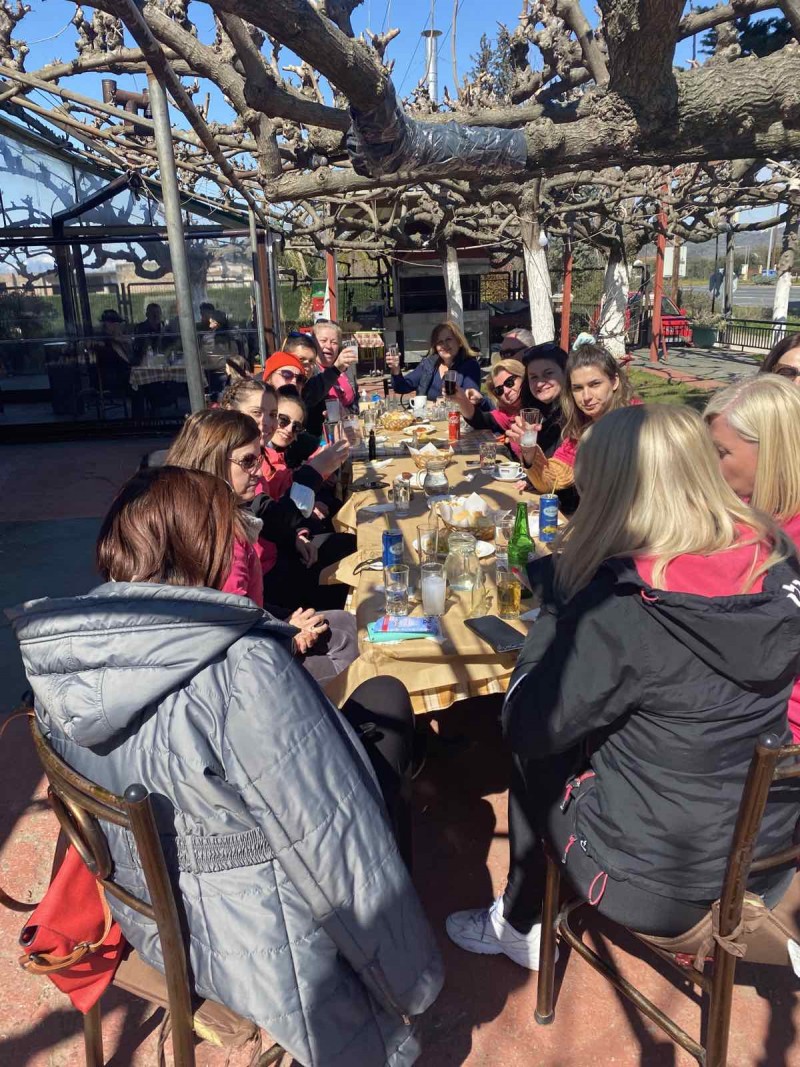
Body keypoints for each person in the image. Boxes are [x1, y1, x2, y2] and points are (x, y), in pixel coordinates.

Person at [9, 466, 443, 1066]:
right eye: (230, 532)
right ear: (201, 547)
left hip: (146, 916)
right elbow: (336, 849)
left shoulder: (59, 659)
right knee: (376, 740)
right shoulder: (244, 667)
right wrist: (413, 979)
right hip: (257, 947)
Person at [446, 404, 800, 970]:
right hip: (766, 852)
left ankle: (519, 922)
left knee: (540, 748)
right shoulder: (776, 558)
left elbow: (526, 725)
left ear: (611, 494)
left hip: (662, 881)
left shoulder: (623, 607)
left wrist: (558, 612)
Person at [166, 408, 358, 684]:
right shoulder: (222, 536)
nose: (258, 471)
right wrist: (288, 635)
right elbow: (227, 634)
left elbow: (243, 608)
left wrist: (282, 622)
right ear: (213, 460)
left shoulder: (208, 512)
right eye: (247, 461)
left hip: (251, 629)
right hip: (234, 672)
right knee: (346, 647)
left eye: (258, 459)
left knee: (345, 623)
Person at [518, 339, 635, 495]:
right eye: (578, 388)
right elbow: (553, 480)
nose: (586, 397)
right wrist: (529, 450)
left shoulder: (638, 423)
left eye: (595, 384)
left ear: (614, 382)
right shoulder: (581, 426)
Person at [386, 320, 482, 401]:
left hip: (455, 416)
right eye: (440, 342)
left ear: (459, 341)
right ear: (435, 347)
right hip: (425, 416)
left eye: (448, 339)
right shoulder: (428, 364)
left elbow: (471, 397)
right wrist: (395, 369)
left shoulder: (470, 366)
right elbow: (401, 387)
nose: (444, 345)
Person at [450, 357, 526, 447]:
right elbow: (479, 419)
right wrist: (462, 399)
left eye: (509, 382)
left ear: (522, 376)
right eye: (499, 390)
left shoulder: (538, 405)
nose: (506, 391)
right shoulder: (504, 416)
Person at [313, 320, 360, 414]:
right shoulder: (310, 370)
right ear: (314, 343)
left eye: (334, 342)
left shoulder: (346, 367)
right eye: (323, 341)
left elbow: (356, 399)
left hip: (349, 421)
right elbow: (312, 397)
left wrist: (351, 413)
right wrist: (336, 368)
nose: (329, 346)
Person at [199, 307, 239, 399]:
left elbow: (202, 359)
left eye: (211, 322)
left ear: (217, 323)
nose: (209, 325)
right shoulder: (234, 336)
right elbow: (238, 355)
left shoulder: (207, 338)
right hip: (231, 371)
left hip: (212, 374)